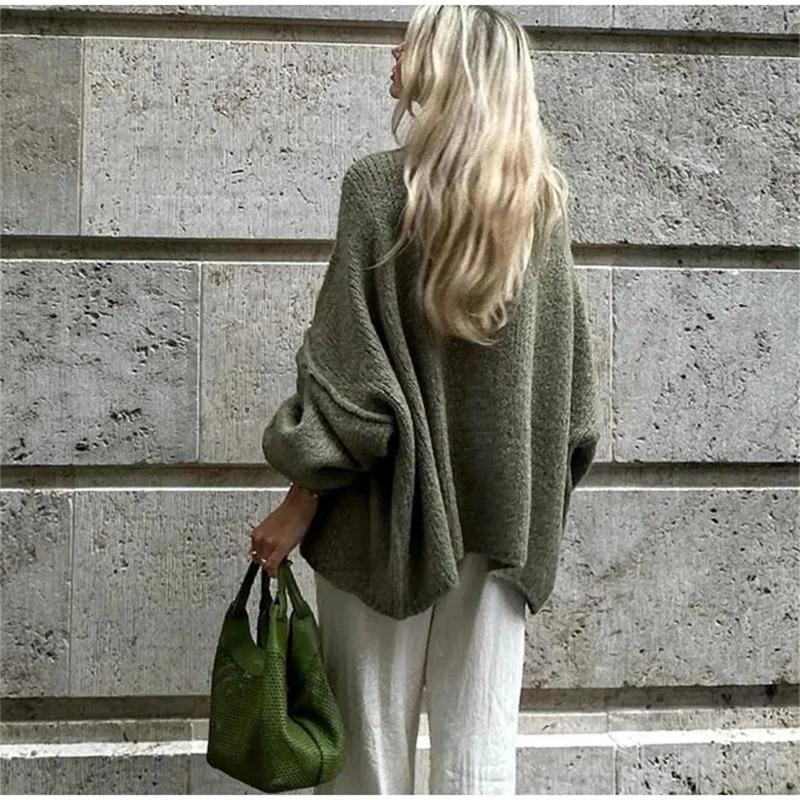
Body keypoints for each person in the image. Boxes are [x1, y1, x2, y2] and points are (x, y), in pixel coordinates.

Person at [250, 5, 601, 795]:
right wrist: (524, 498)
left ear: (446, 64)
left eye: (410, 40)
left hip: (382, 520)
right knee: (479, 762)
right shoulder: (543, 204)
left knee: (366, 762)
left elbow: (351, 386)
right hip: (503, 529)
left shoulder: (379, 189)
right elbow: (573, 407)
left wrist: (298, 501)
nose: (394, 50)